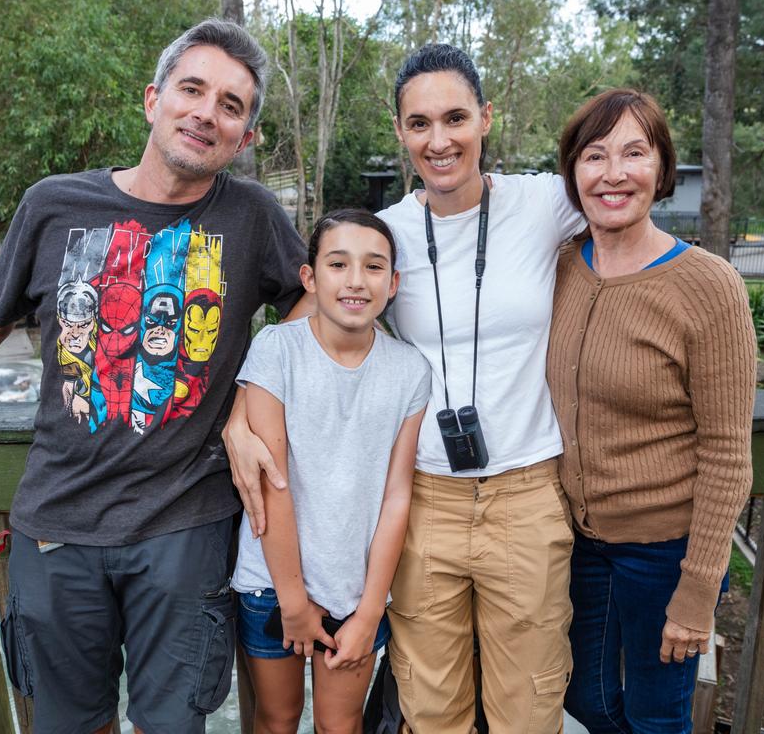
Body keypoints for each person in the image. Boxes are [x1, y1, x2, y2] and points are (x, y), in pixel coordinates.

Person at [0, 19, 312, 734]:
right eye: (192, 89)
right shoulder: (54, 203)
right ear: (153, 99)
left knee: (173, 724)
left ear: (244, 138)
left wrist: (244, 406)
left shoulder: (251, 216)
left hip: (185, 526)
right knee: (69, 724)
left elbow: (315, 303)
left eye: (231, 105)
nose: (206, 112)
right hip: (57, 526)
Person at [226, 43, 586, 733]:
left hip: (524, 493)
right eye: (419, 123)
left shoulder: (545, 201)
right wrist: (236, 422)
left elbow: (622, 197)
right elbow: (299, 335)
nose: (439, 139)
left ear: (486, 118)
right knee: (429, 704)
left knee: (528, 704)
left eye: (455, 118)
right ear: (400, 131)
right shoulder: (383, 237)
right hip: (426, 500)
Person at [548, 88, 757, 733]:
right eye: (595, 155)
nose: (613, 173)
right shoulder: (560, 267)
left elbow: (727, 454)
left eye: (634, 153)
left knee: (657, 717)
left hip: (666, 555)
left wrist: (698, 590)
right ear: (573, 173)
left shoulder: (708, 285)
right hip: (580, 544)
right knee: (586, 701)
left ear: (661, 170)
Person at [231, 210, 430, 734]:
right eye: (338, 264)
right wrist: (294, 601)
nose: (356, 281)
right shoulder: (276, 349)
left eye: (373, 267)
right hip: (273, 585)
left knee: (340, 726)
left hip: (355, 587)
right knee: (276, 718)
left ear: (394, 283)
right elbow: (272, 481)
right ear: (310, 278)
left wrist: (369, 613)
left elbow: (396, 497)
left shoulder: (409, 371)